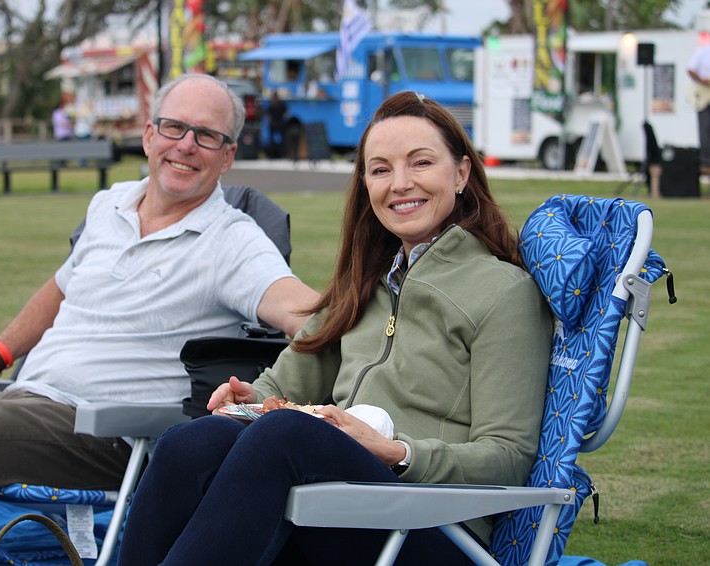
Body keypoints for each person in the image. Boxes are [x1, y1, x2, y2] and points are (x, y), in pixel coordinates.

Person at [116, 91, 554, 565]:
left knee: (288, 434)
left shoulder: (504, 292)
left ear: (462, 173)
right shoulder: (364, 282)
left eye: (421, 163)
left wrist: (397, 452)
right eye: (381, 169)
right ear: (366, 184)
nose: (400, 184)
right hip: (341, 514)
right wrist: (250, 400)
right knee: (190, 442)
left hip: (435, 526)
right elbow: (282, 386)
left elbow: (508, 455)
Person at [0, 74, 319, 512]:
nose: (185, 145)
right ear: (148, 135)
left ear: (228, 156)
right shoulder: (110, 203)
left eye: (206, 135)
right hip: (21, 402)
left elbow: (298, 308)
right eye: (174, 127)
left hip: (106, 434)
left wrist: (370, 313)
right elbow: (61, 289)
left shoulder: (233, 240)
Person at [687, 42, 710, 175]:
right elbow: (690, 69)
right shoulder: (703, 51)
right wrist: (703, 81)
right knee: (705, 127)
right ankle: (706, 159)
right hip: (703, 94)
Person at [266, 91, 288, 158]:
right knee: (283, 139)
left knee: (271, 140)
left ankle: (272, 155)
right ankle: (283, 154)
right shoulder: (282, 105)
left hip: (273, 124)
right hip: (281, 124)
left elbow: (268, 116)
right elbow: (286, 115)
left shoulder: (271, 105)